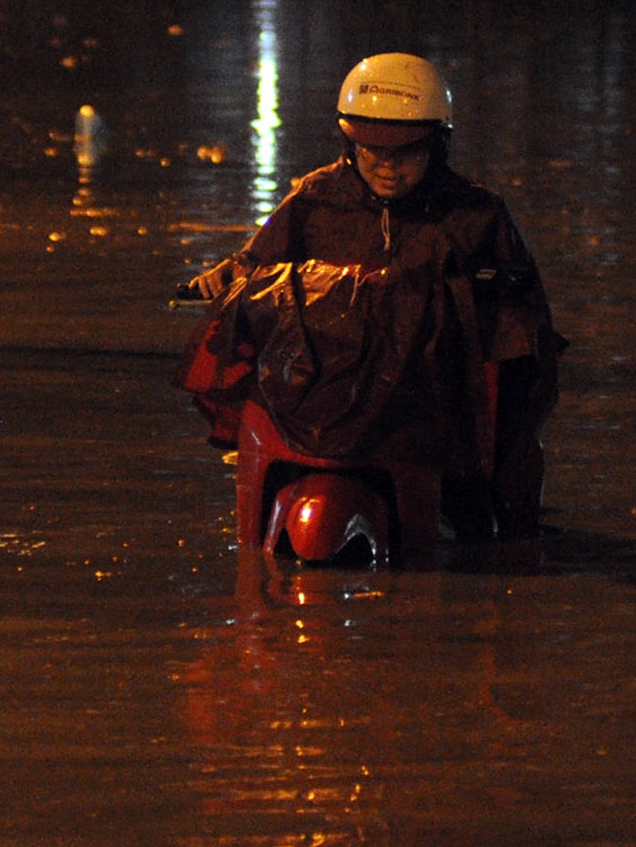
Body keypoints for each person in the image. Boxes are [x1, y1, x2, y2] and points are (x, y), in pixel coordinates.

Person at [174, 52, 563, 539]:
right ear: (348, 141)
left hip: (422, 399)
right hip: (320, 389)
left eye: (405, 153)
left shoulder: (475, 215)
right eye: (371, 150)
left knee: (496, 518)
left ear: (436, 146)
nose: (387, 166)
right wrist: (225, 276)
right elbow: (256, 263)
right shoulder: (315, 199)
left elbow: (523, 324)